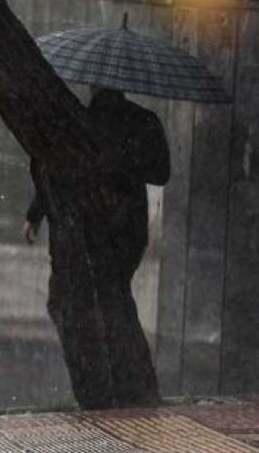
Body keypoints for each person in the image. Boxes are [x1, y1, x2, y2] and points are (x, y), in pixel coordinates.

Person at [22, 87, 169, 405]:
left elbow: (59, 171)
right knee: (111, 300)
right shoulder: (142, 121)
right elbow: (161, 172)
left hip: (97, 228)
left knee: (78, 303)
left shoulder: (83, 122)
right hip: (125, 229)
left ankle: (109, 386)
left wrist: (35, 215)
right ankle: (127, 385)